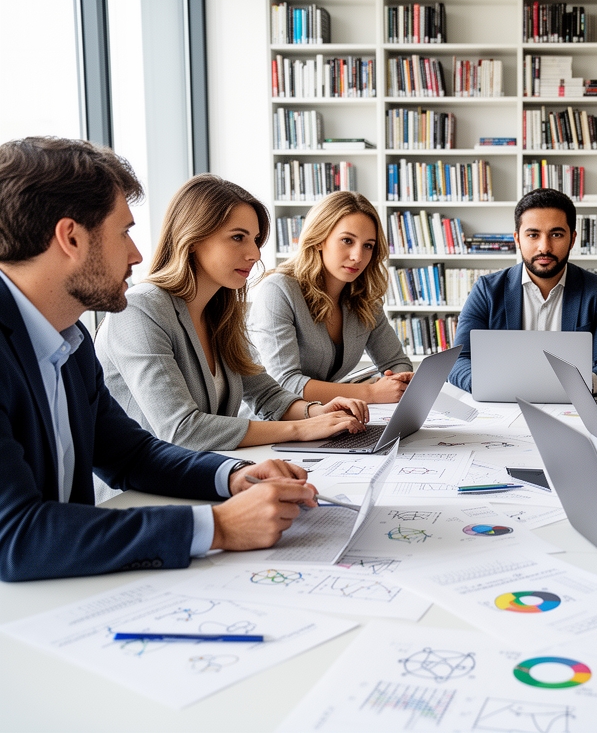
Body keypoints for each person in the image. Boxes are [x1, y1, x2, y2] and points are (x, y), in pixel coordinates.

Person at [0, 137, 321, 582]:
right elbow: (16, 536)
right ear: (70, 237)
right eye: (124, 232)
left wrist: (234, 476)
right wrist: (219, 526)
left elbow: (131, 455)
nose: (136, 254)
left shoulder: (67, 339)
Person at [95, 174, 369, 452]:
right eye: (238, 237)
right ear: (193, 237)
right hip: (138, 491)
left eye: (256, 240)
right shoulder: (140, 310)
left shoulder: (219, 312)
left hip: (206, 473)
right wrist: (301, 429)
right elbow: (182, 430)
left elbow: (266, 394)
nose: (255, 254)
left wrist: (316, 413)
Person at [448, 188, 597, 394]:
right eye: (533, 235)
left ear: (572, 239)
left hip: (575, 406)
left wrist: (581, 386)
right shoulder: (486, 290)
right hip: (504, 406)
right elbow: (458, 360)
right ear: (517, 239)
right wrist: (493, 385)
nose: (544, 247)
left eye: (556, 234)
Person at [248, 191, 413, 404]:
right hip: (271, 424)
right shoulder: (279, 290)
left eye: (368, 245)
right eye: (347, 240)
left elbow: (396, 362)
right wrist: (370, 393)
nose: (358, 256)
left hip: (323, 419)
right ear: (318, 240)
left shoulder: (364, 299)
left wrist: (398, 381)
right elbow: (284, 383)